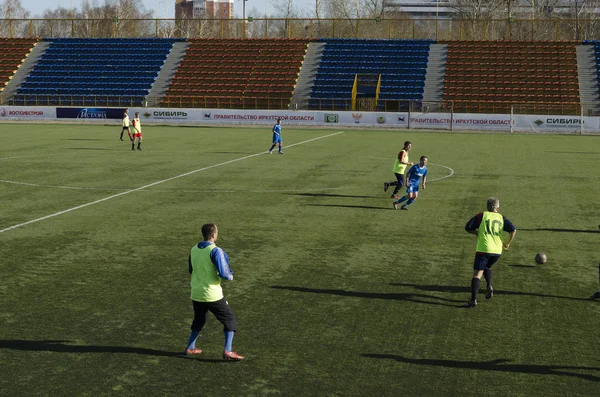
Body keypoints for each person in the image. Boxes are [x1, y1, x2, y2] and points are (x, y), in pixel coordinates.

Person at [185, 223, 244, 360]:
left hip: (196, 293)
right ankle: (228, 351)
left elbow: (191, 270)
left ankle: (190, 347)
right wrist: (230, 275)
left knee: (199, 320)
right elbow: (225, 274)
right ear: (213, 235)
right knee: (229, 320)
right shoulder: (216, 251)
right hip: (212, 294)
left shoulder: (193, 249)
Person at [463, 197, 517, 308]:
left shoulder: (482, 215)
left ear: (487, 206)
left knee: (477, 275)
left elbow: (467, 227)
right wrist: (507, 243)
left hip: (483, 249)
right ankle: (489, 286)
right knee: (487, 267)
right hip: (497, 251)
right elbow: (513, 230)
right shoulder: (501, 218)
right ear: (497, 207)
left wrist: (476, 233)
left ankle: (473, 300)